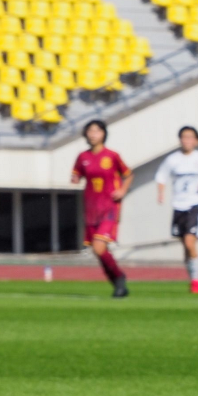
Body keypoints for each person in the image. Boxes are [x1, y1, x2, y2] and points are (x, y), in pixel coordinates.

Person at [154, 125, 198, 294]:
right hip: (178, 205)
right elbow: (161, 176)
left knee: (191, 242)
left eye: (190, 137)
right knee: (185, 245)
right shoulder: (173, 159)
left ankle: (196, 281)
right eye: (184, 137)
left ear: (196, 141)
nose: (186, 140)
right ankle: (193, 278)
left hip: (195, 204)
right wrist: (161, 193)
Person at [70, 119, 132, 297]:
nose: (93, 134)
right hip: (91, 210)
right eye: (90, 130)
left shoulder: (112, 156)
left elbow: (128, 174)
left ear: (103, 134)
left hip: (109, 208)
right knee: (98, 252)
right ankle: (117, 283)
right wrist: (75, 179)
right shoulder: (83, 157)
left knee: (99, 247)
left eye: (97, 130)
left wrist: (122, 190)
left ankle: (119, 279)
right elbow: (76, 174)